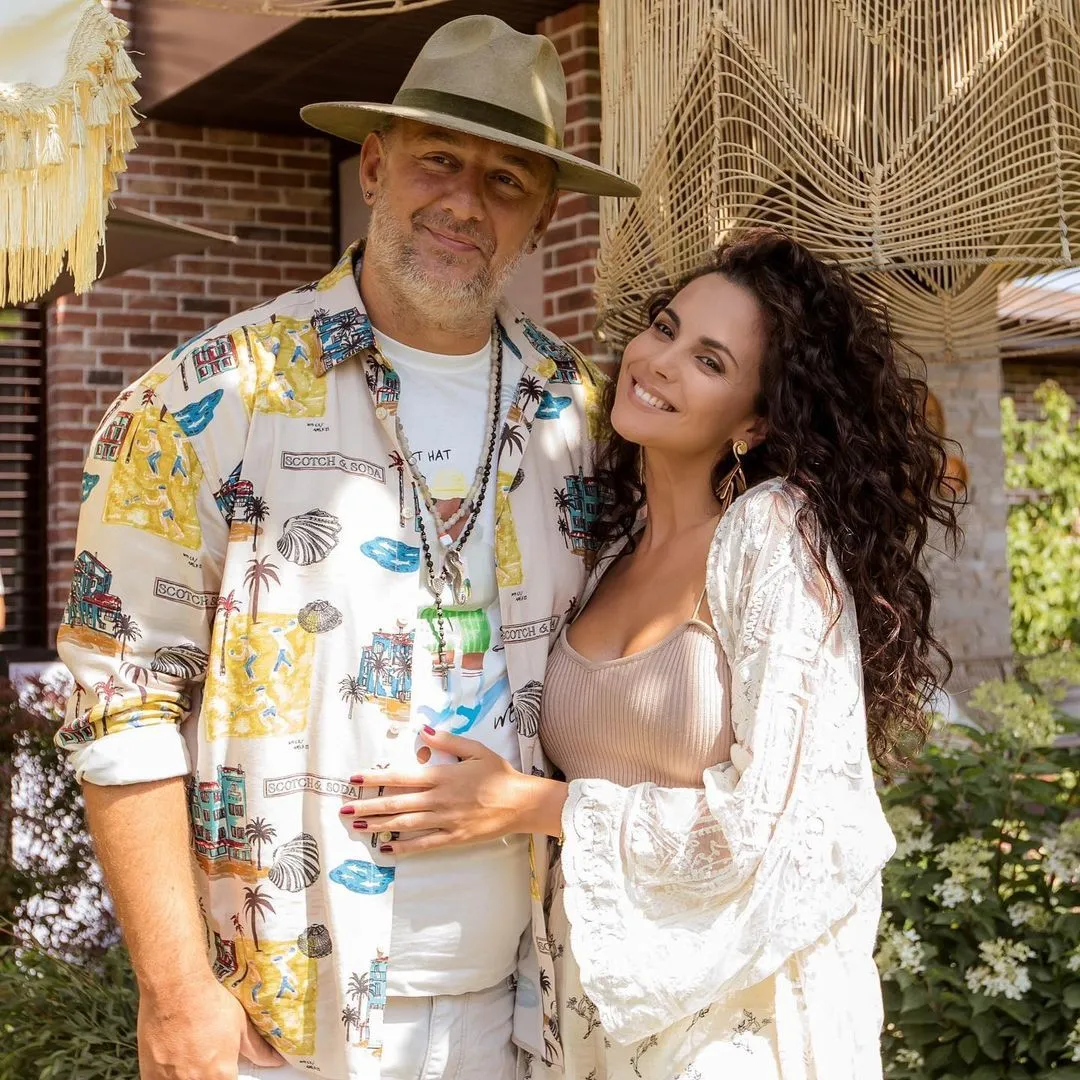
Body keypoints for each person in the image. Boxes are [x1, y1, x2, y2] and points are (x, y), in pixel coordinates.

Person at [55, 14, 637, 1080]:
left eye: (507, 181)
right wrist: (175, 991)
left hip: (535, 1008)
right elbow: (123, 700)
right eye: (438, 160)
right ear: (373, 167)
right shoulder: (207, 397)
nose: (466, 202)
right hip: (276, 1018)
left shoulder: (585, 417)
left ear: (544, 217)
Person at [349, 229, 961, 1079]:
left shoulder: (772, 536)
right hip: (589, 1013)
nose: (660, 362)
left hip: (731, 1024)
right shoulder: (607, 550)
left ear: (756, 419)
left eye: (709, 361)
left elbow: (787, 828)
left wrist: (530, 806)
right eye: (665, 327)